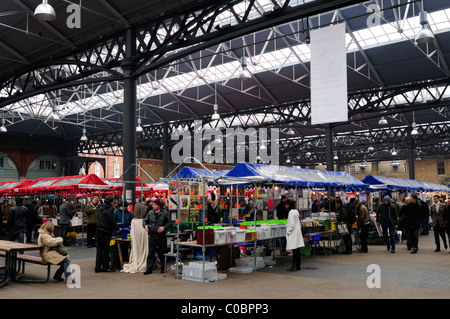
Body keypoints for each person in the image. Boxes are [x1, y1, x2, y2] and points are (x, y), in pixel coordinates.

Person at [121, 197, 150, 274]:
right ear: (144, 201)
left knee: (135, 244)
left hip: (135, 223)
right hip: (140, 224)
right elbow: (144, 215)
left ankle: (135, 259)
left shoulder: (136, 205)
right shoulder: (143, 207)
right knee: (142, 244)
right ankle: (141, 260)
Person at [143, 198, 171, 275]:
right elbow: (145, 220)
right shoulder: (150, 213)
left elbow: (169, 223)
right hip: (152, 235)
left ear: (159, 206)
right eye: (152, 204)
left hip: (161, 236)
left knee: (162, 252)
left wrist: (163, 228)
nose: (153, 206)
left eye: (154, 204)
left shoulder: (165, 213)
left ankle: (163, 267)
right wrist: (145, 226)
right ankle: (149, 268)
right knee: (151, 252)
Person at [95, 195, 120, 273]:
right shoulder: (109, 210)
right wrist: (117, 229)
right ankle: (105, 267)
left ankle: (97, 267)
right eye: (112, 202)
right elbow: (112, 221)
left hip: (98, 230)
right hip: (105, 231)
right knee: (106, 250)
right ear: (110, 202)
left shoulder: (101, 208)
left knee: (99, 249)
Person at [285, 200, 304, 271]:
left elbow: (291, 224)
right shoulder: (296, 211)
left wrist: (288, 232)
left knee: (294, 249)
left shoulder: (291, 212)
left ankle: (294, 266)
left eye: (286, 205)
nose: (285, 206)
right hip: (297, 231)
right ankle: (298, 265)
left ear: (288, 205)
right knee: (297, 249)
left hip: (293, 232)